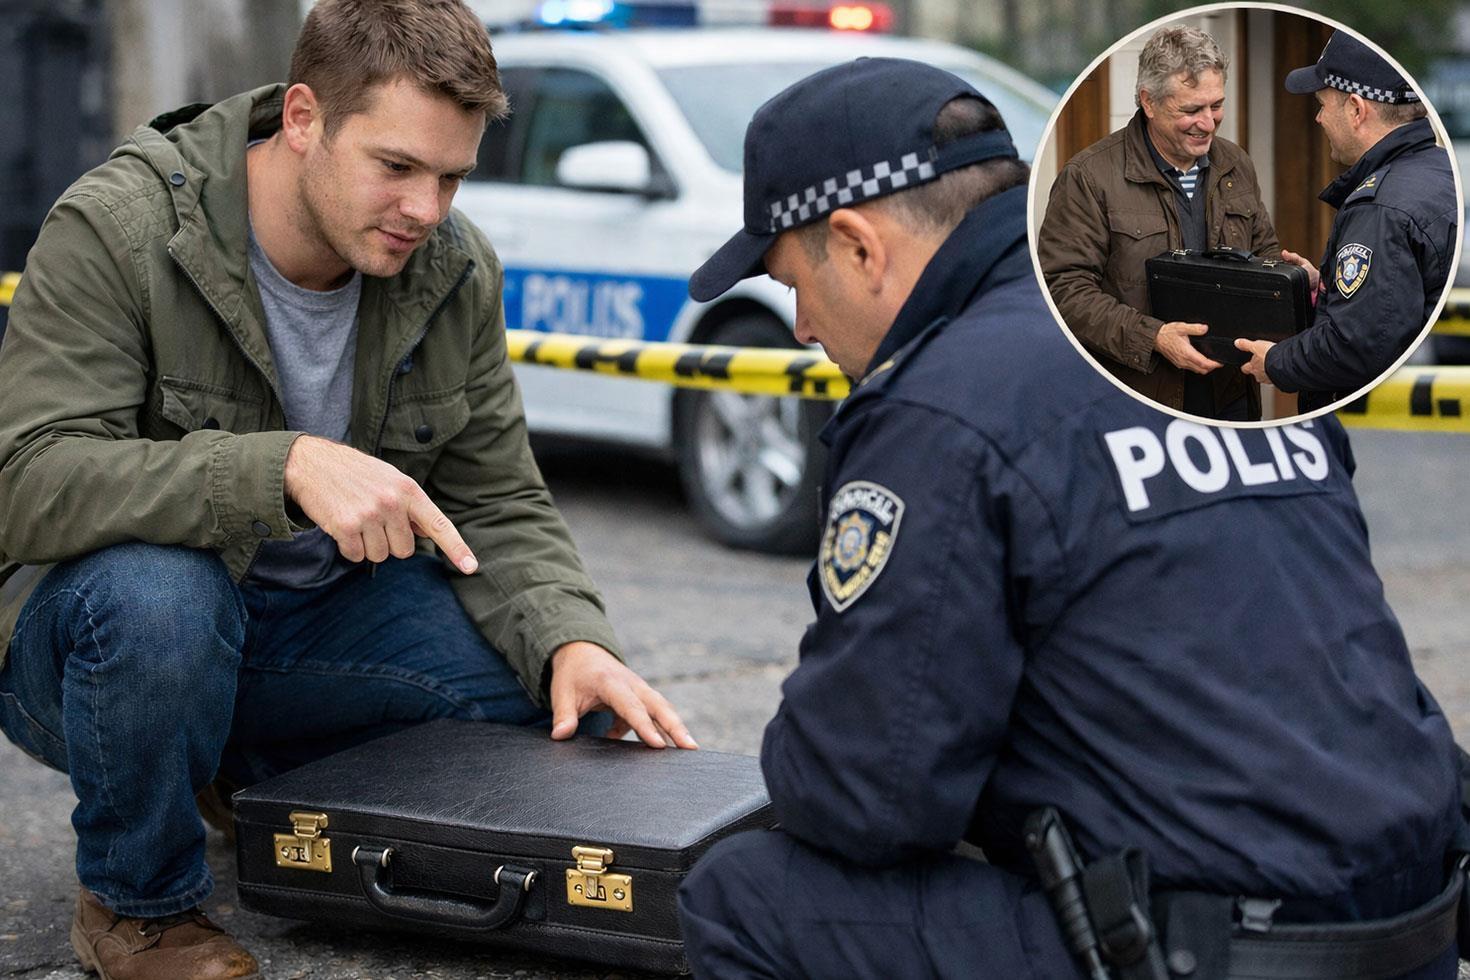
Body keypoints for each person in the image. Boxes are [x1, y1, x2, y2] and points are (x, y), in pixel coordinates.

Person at [675, 56, 1465, 980]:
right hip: (1414, 925)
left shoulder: (942, 402)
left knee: (745, 896)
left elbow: (866, 797)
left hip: (1214, 952)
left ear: (857, 245)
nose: (803, 326)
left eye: (790, 282)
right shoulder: (1198, 373)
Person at [0, 1, 694, 977]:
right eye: (398, 167)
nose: (429, 208)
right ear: (301, 118)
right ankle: (136, 905)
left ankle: (261, 786)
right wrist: (276, 463)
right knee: (161, 590)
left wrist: (574, 640)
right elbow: (26, 480)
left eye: (453, 175)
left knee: (534, 686)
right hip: (97, 646)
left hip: (309, 624)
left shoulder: (452, 267)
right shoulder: (120, 227)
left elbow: (495, 500)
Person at [1038, 26, 1280, 421]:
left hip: (1231, 395)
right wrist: (1153, 338)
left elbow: (1264, 254)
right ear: (1148, 102)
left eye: (1216, 105)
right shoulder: (1089, 176)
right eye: (1190, 110)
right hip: (1138, 401)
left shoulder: (1236, 163)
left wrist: (1291, 287)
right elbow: (1062, 290)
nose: (1208, 123)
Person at [1236, 31, 1457, 415]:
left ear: (1356, 109)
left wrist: (1274, 362)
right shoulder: (1436, 170)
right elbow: (1397, 301)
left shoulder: (1379, 207)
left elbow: (1357, 345)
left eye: (1321, 105)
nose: (1319, 118)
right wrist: (1329, 290)